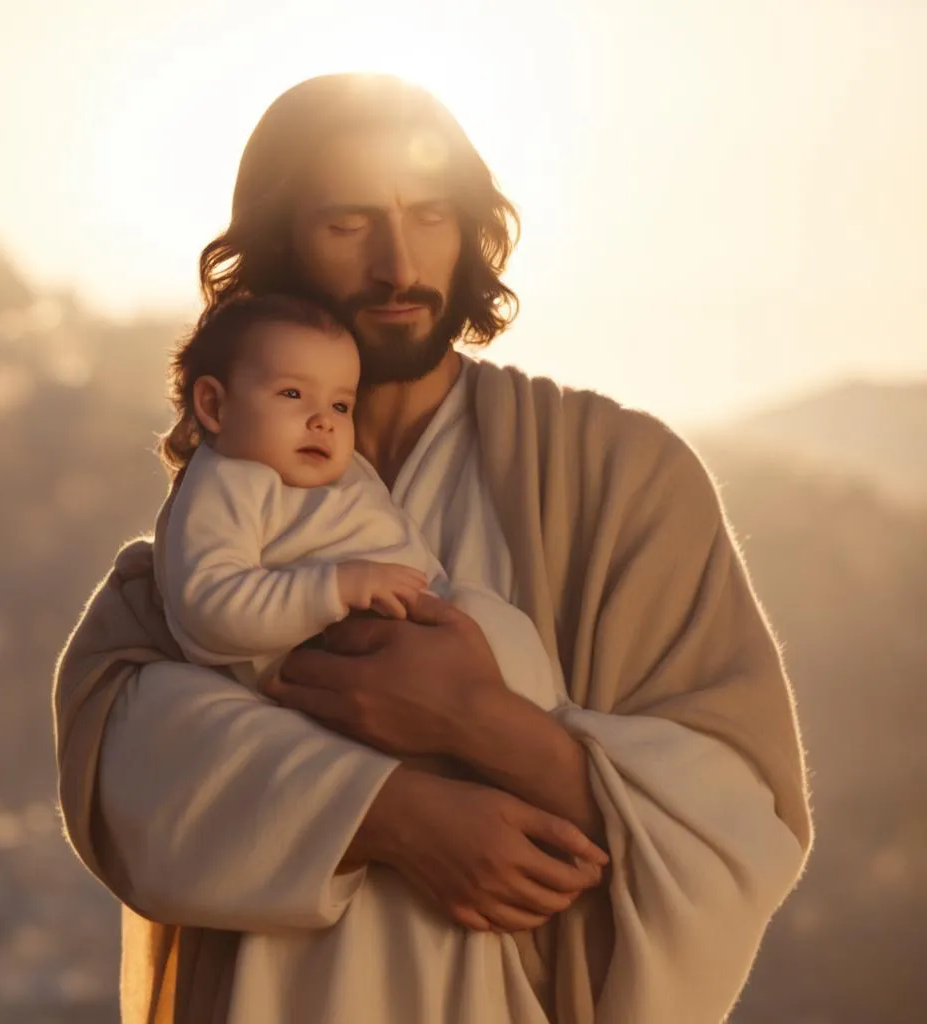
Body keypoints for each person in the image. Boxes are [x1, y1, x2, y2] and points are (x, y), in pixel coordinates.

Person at [54, 72, 812, 1024]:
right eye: (347, 222)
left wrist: (475, 718)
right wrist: (394, 814)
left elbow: (741, 826)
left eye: (431, 216)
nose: (398, 264)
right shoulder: (225, 497)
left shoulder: (621, 477)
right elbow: (120, 757)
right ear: (279, 237)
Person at [156, 291, 582, 744]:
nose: (323, 421)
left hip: (437, 642)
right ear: (214, 406)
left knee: (497, 622)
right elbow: (209, 606)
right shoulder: (227, 481)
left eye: (341, 405)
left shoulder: (336, 471)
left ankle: (550, 732)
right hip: (352, 681)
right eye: (292, 393)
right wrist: (337, 586)